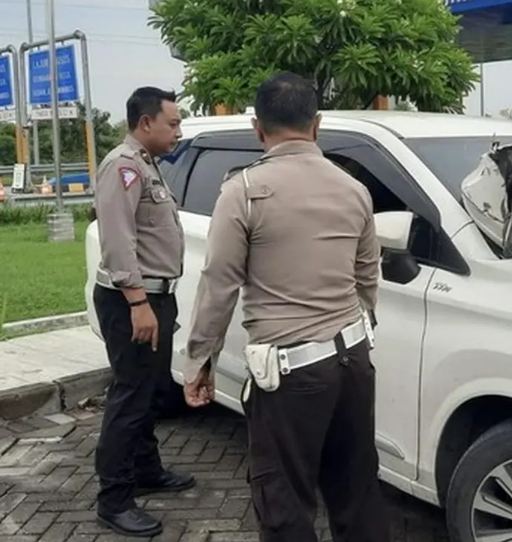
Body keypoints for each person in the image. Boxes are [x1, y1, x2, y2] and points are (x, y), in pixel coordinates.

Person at [183, 72, 387, 541]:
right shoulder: (353, 189)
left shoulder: (245, 192)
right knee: (357, 490)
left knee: (285, 501)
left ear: (258, 128)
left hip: (292, 376)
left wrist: (199, 360)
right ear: (316, 125)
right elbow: (366, 276)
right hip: (353, 361)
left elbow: (219, 285)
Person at [92, 87, 195, 538]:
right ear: (145, 122)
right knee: (130, 396)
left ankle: (147, 469)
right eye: (172, 123)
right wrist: (138, 303)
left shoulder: (148, 164)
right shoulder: (124, 167)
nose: (178, 131)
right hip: (131, 300)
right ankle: (114, 499)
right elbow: (118, 240)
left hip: (154, 296)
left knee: (149, 390)